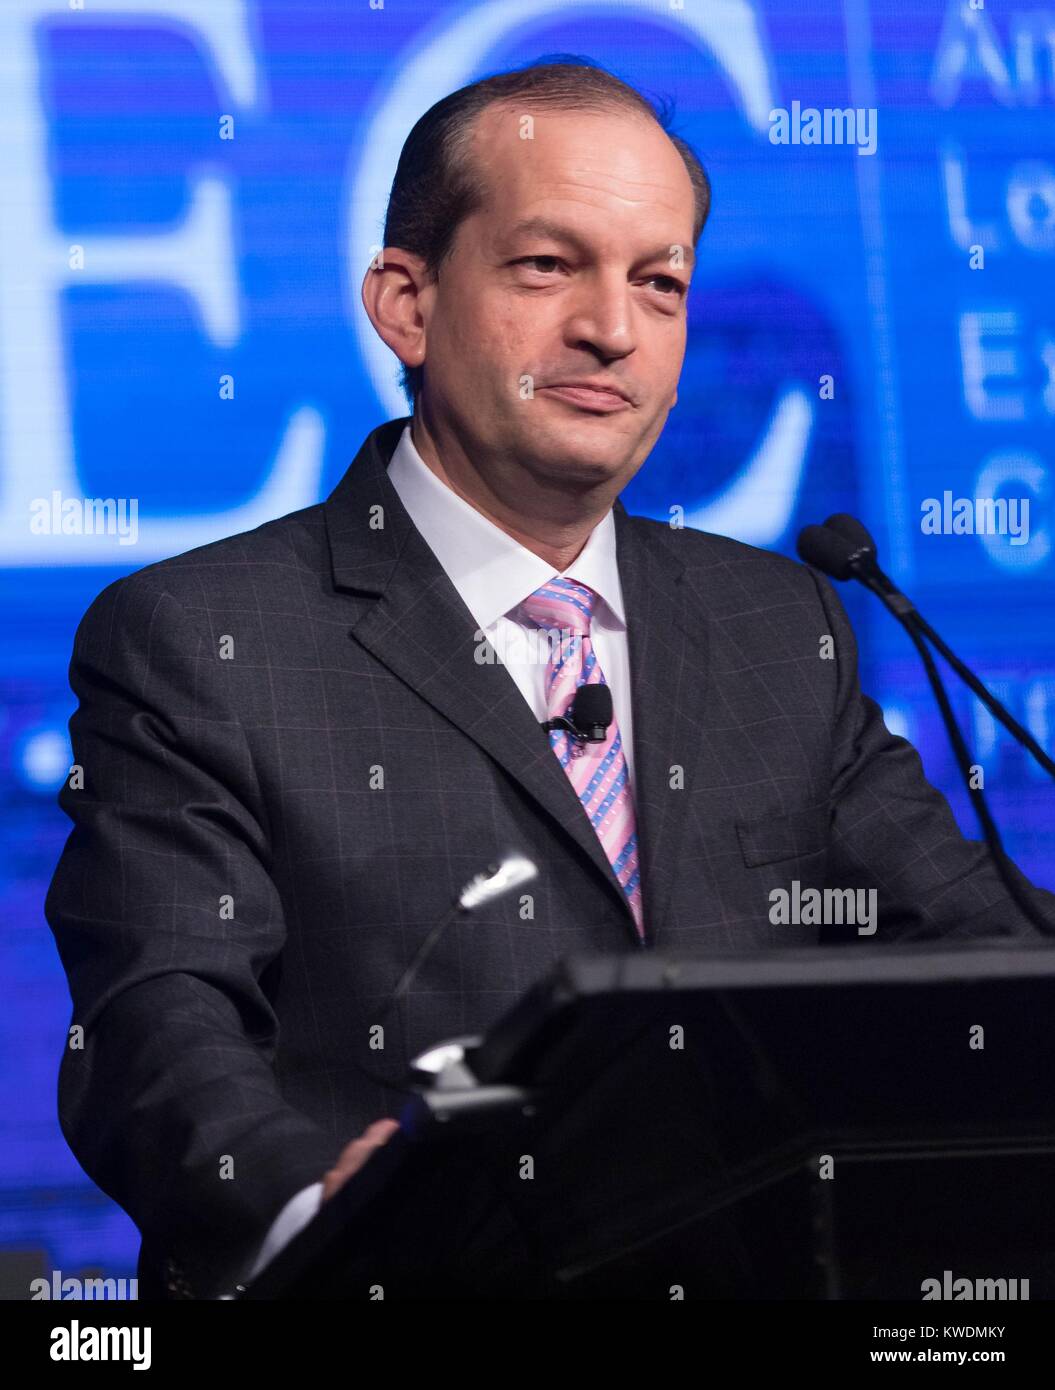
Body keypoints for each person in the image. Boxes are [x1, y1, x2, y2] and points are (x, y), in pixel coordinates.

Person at [45, 59, 1054, 1301]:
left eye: (659, 283)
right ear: (405, 304)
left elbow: (982, 950)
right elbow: (155, 1025)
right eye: (545, 265)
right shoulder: (197, 635)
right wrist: (319, 1200)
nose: (611, 329)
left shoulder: (778, 619)